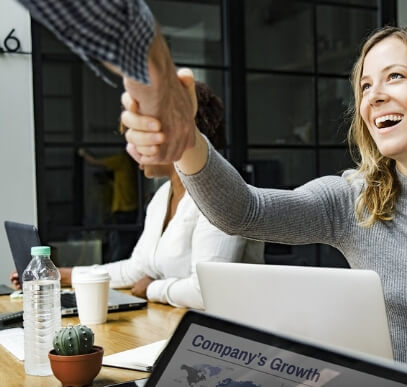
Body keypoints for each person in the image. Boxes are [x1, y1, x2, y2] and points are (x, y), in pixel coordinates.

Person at [15, 2, 407, 387]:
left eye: (395, 77)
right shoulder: (351, 195)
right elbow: (245, 211)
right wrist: (187, 137)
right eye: (365, 85)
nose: (374, 95)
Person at [10, 82, 264, 309]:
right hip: (174, 323)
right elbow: (136, 270)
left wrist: (153, 288)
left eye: (140, 133)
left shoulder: (221, 193)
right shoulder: (162, 196)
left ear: (179, 133)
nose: (131, 146)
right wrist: (58, 275)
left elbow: (205, 292)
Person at [78, 148, 139, 262]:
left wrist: (83, 153)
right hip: (130, 208)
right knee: (121, 242)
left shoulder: (122, 160)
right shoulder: (130, 165)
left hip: (123, 210)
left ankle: (115, 268)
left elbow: (95, 162)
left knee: (121, 245)